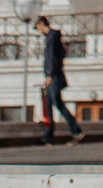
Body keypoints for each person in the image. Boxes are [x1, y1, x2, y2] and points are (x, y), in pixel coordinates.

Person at [35, 16, 82, 144]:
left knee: (57, 103)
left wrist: (49, 74)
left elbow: (51, 56)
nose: (38, 30)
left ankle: (76, 131)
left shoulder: (51, 37)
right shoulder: (53, 37)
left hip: (53, 76)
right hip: (53, 75)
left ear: (41, 23)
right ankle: (48, 135)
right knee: (49, 104)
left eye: (37, 27)